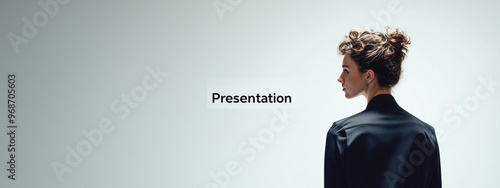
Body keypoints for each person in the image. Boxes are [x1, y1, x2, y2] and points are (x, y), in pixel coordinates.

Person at [324, 29, 441, 188]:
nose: (340, 78)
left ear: (369, 76)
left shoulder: (342, 134)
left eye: (346, 70)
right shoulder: (426, 134)